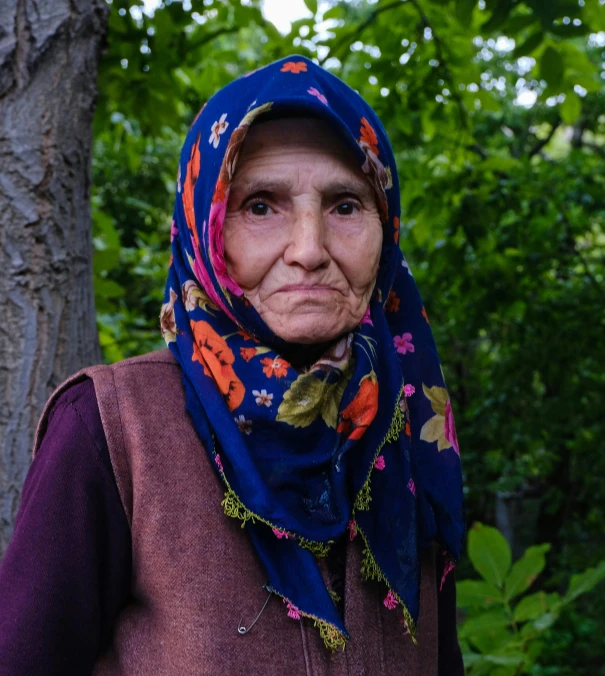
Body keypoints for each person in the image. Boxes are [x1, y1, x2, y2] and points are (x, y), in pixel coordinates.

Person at [0, 55, 464, 675]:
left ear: (387, 227)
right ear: (206, 229)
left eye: (345, 206)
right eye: (261, 206)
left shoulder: (410, 425)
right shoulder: (111, 429)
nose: (308, 250)